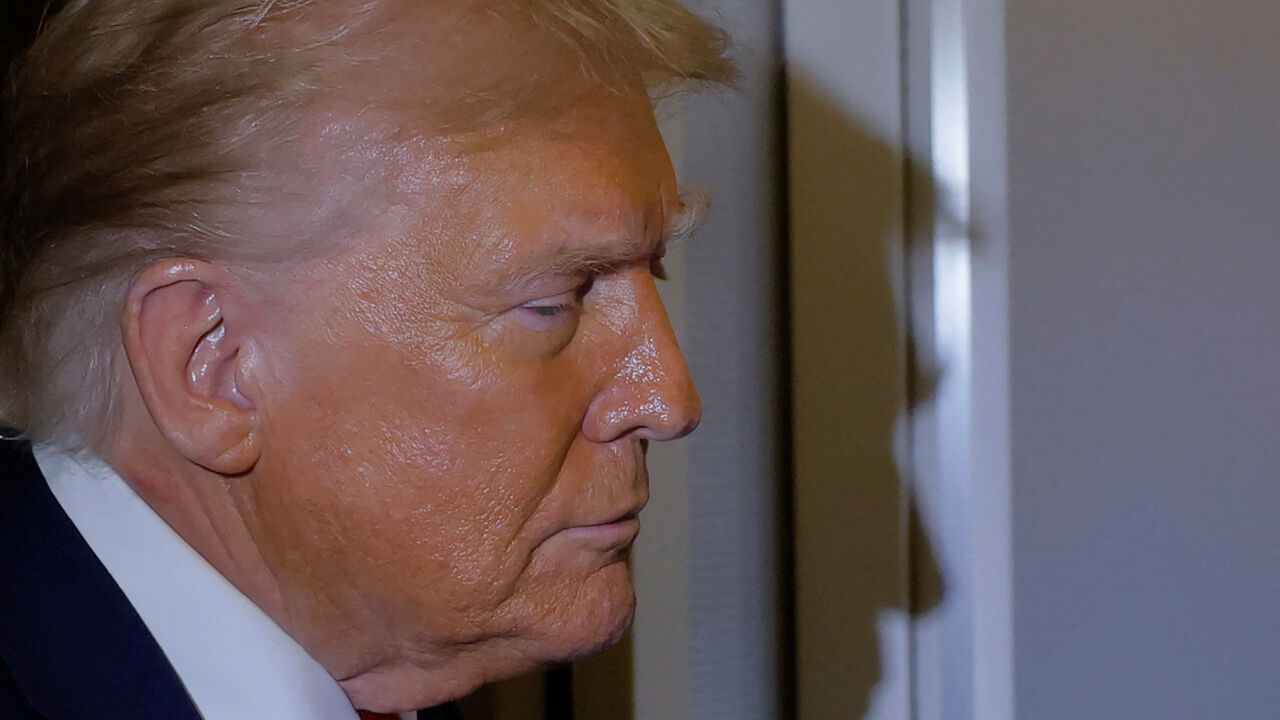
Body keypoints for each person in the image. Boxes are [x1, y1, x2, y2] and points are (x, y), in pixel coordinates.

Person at [0, 1, 735, 717]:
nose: (668, 399)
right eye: (553, 302)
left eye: (654, 269)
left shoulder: (387, 651)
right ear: (212, 365)